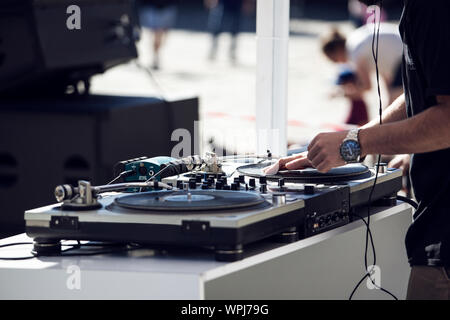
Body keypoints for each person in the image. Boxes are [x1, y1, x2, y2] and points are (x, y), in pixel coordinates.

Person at [268, 0, 450, 300]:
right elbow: (420, 94)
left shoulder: (435, 8)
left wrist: (354, 145)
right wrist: (354, 138)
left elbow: (445, 121)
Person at [321, 23, 403, 105]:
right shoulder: (354, 38)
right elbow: (386, 74)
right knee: (393, 102)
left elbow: (367, 86)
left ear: (337, 52)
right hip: (404, 46)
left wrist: (342, 93)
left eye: (335, 60)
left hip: (404, 55)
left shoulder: (354, 52)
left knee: (397, 104)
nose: (340, 64)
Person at [139, 0, 178, 70]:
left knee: (163, 35)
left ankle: (156, 54)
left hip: (167, 6)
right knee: (157, 33)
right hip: (153, 7)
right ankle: (156, 56)